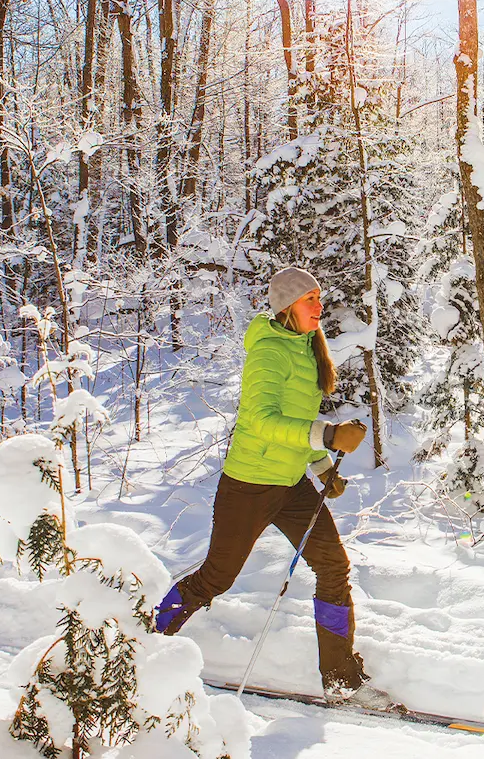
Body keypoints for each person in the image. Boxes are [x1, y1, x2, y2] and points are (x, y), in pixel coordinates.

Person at [154, 267, 391, 708]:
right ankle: (146, 637)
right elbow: (262, 422)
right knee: (215, 579)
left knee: (334, 568)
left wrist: (322, 468)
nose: (320, 307)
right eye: (310, 300)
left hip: (290, 484)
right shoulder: (268, 352)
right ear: (286, 307)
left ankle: (341, 679)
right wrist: (328, 436)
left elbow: (293, 427)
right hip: (248, 486)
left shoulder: (305, 349)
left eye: (320, 298)